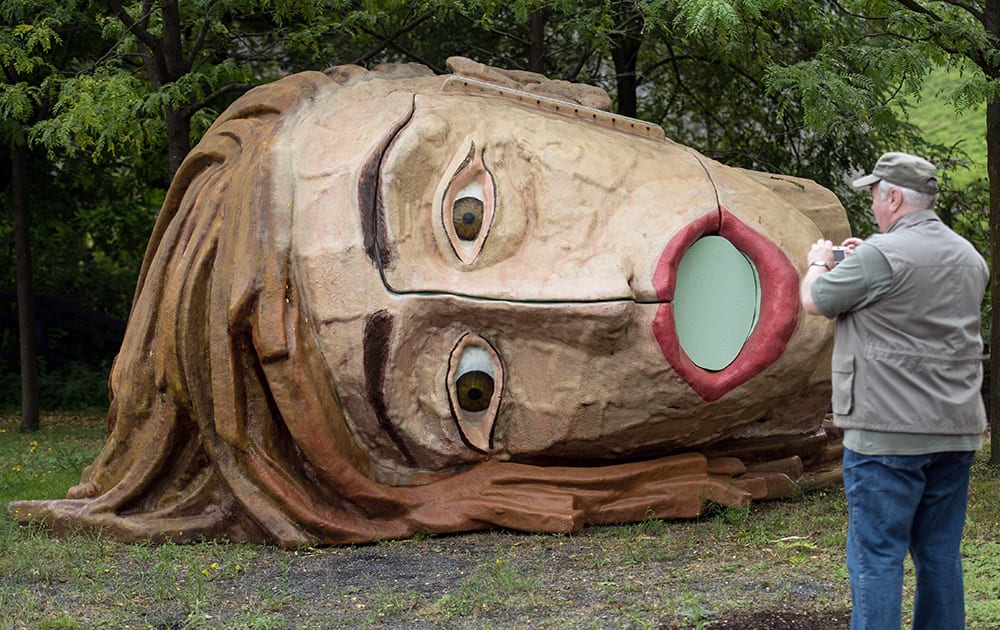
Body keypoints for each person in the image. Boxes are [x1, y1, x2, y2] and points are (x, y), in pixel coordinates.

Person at [799, 151, 988, 630]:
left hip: (886, 436)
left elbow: (815, 300)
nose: (875, 207)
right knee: (940, 553)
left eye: (877, 197)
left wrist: (821, 262)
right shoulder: (970, 257)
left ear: (895, 197)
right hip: (956, 431)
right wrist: (868, 256)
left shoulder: (882, 257)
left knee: (877, 558)